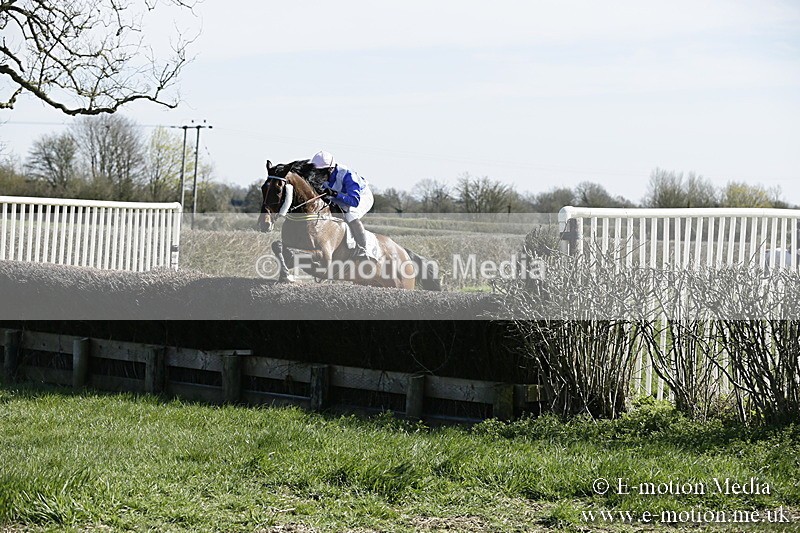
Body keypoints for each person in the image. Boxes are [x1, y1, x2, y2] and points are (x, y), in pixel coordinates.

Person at [309, 150, 374, 258]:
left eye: (322, 172)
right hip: (339, 196)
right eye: (316, 171)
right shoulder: (316, 175)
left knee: (351, 215)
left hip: (361, 196)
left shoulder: (347, 174)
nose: (318, 175)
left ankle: (363, 249)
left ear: (330, 168)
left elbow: (354, 201)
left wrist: (334, 194)